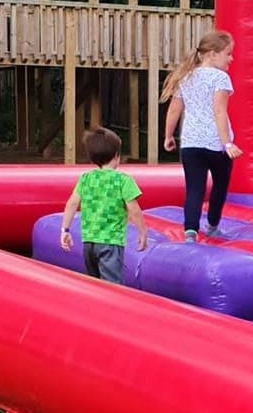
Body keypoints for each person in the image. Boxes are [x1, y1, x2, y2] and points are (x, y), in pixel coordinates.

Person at [162, 29, 243, 241]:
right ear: (212, 54)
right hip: (216, 144)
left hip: (191, 143)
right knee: (220, 185)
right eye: (228, 53)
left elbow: (174, 109)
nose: (231, 58)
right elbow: (219, 111)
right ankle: (213, 225)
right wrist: (227, 144)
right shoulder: (220, 78)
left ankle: (190, 231)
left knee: (194, 189)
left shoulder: (186, 76)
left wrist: (168, 136)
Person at [59, 126, 147, 283]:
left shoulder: (86, 178)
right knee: (112, 287)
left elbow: (72, 203)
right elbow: (134, 210)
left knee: (95, 285)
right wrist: (142, 233)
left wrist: (65, 230)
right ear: (116, 156)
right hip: (110, 243)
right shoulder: (123, 180)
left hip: (89, 242)